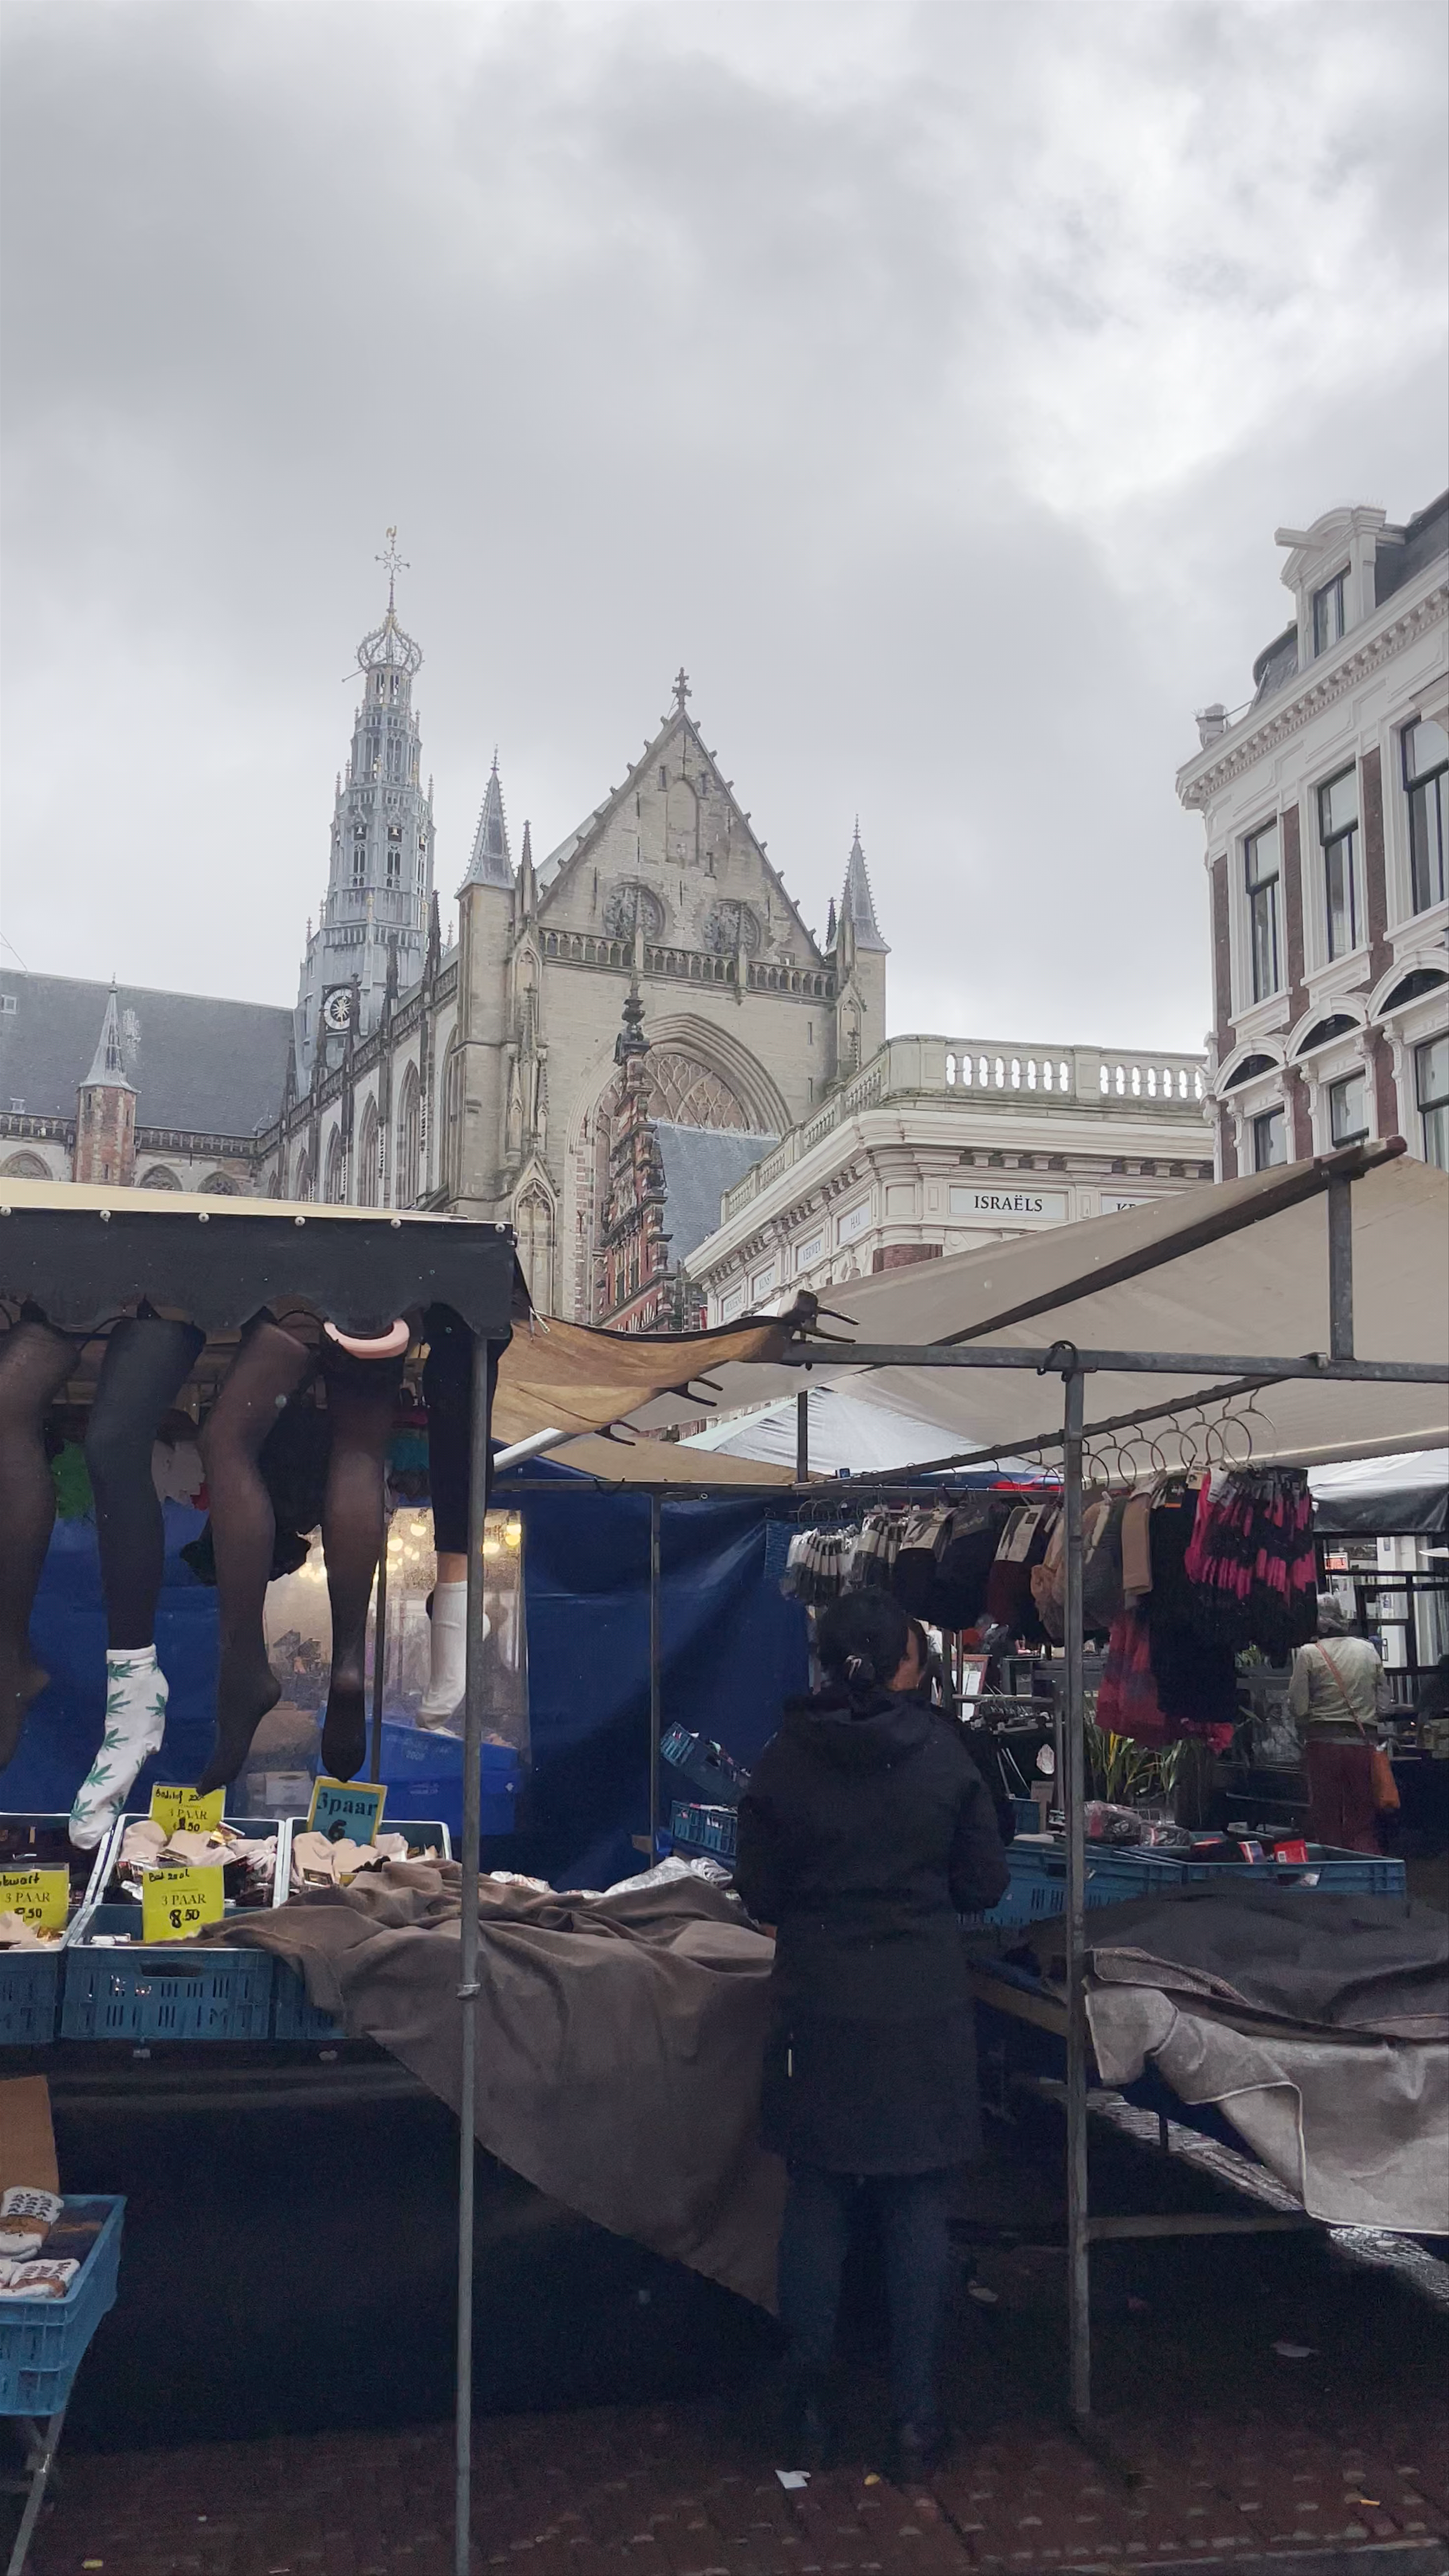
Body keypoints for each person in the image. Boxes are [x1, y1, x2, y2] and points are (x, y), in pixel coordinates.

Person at [733, 1591, 1009, 2479]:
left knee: (815, 2200)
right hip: (920, 2005)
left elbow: (760, 1894)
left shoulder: (783, 1757)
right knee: (915, 2204)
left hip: (817, 2003)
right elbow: (983, 1885)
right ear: (902, 1662)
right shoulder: (945, 1754)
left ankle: (806, 2413)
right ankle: (915, 2421)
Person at [1289, 1594, 1392, 1855]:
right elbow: (1384, 1704)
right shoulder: (1367, 1649)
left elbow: (1299, 1706)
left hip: (1323, 1746)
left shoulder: (1308, 1654)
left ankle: (1333, 1868)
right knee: (1362, 1815)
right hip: (1363, 1744)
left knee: (1327, 1815)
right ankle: (1367, 1867)